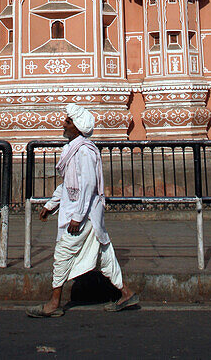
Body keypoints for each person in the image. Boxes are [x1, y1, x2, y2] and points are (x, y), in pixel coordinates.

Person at [27, 103, 139, 317]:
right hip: (78, 211)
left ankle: (53, 303)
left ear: (77, 127)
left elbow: (88, 185)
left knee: (62, 253)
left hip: (83, 215)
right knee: (105, 256)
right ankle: (126, 293)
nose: (64, 124)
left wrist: (78, 216)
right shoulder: (72, 149)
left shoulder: (85, 152)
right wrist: (51, 205)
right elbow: (68, 185)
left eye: (68, 122)